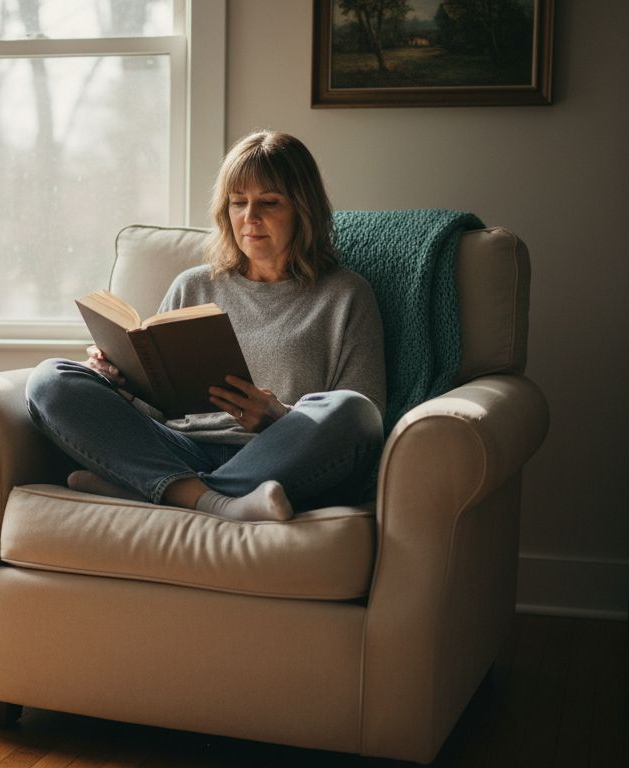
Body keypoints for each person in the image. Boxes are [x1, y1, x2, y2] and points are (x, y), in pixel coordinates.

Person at [25, 130, 385, 522]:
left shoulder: (346, 295)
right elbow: (156, 408)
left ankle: (157, 489)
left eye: (269, 202)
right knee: (50, 380)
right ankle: (215, 500)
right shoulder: (194, 284)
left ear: (303, 209)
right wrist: (119, 380)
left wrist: (280, 417)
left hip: (278, 460)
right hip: (182, 446)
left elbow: (368, 417)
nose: (250, 217)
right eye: (238, 203)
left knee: (352, 411)